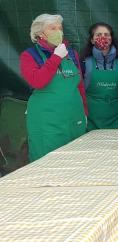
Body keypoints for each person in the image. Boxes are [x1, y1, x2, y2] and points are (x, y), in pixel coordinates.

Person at [19, 14, 87, 161]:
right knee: (48, 163)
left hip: (74, 119)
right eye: (53, 28)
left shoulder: (72, 54)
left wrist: (85, 113)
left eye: (60, 28)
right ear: (39, 34)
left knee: (76, 162)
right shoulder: (29, 56)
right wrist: (56, 58)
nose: (59, 32)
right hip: (47, 123)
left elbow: (79, 85)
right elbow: (38, 81)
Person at [80, 22, 118, 130]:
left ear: (111, 38)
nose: (103, 37)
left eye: (106, 35)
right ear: (92, 40)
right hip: (92, 115)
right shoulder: (84, 61)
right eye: (98, 35)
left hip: (116, 115)